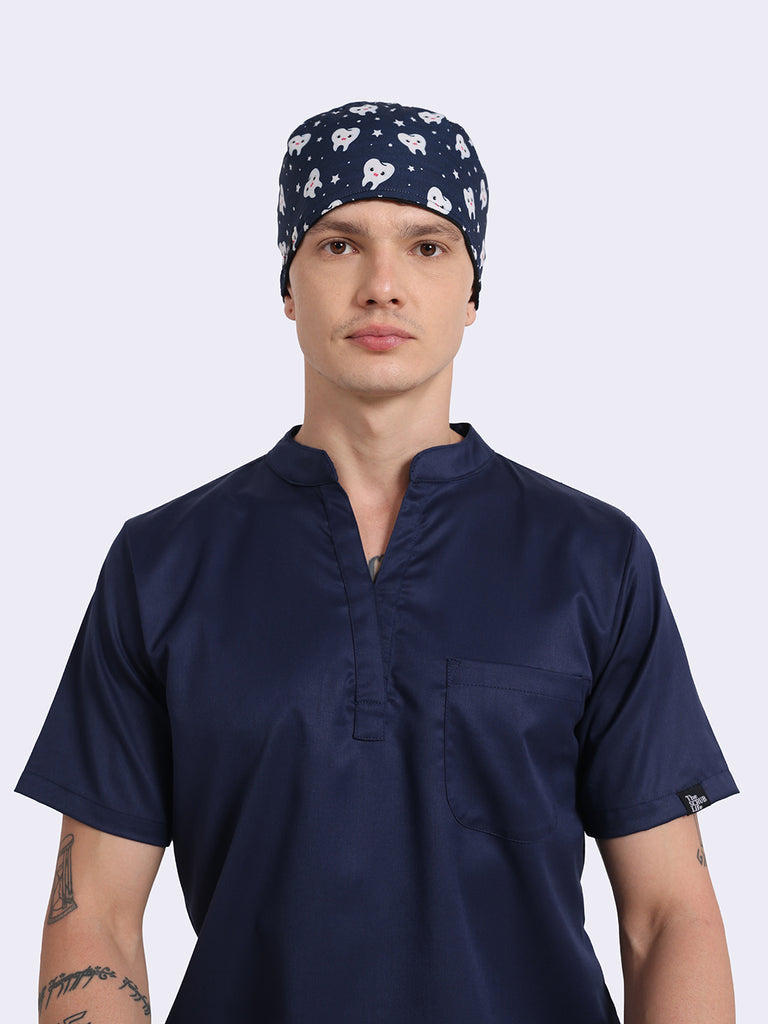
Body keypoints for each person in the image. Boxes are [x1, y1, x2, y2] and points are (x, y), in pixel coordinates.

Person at [18, 100, 737, 1023]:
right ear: (289, 284)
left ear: (474, 293)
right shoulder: (162, 565)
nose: (383, 285)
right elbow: (98, 918)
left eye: (427, 246)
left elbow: (669, 916)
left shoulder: (594, 560)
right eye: (339, 244)